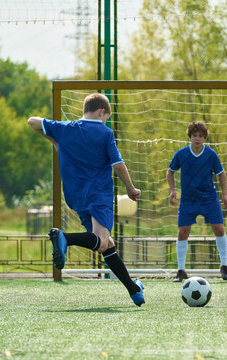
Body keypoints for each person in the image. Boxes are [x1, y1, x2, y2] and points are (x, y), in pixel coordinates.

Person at [27, 93, 145, 306]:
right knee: (100, 242)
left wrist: (55, 140)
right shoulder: (104, 132)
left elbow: (32, 122)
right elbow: (117, 164)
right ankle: (65, 238)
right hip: (99, 194)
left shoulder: (65, 128)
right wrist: (130, 188)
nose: (106, 121)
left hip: (75, 196)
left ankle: (134, 289)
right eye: (106, 117)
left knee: (107, 244)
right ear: (102, 112)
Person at [167, 121, 227, 282]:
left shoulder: (210, 154)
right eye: (195, 135)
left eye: (201, 136)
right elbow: (170, 172)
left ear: (204, 138)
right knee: (183, 232)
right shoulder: (181, 154)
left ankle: (224, 266)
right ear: (190, 136)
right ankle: (181, 270)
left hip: (209, 198)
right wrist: (173, 191)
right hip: (188, 200)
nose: (197, 139)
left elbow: (221, 174)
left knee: (219, 228)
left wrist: (224, 194)